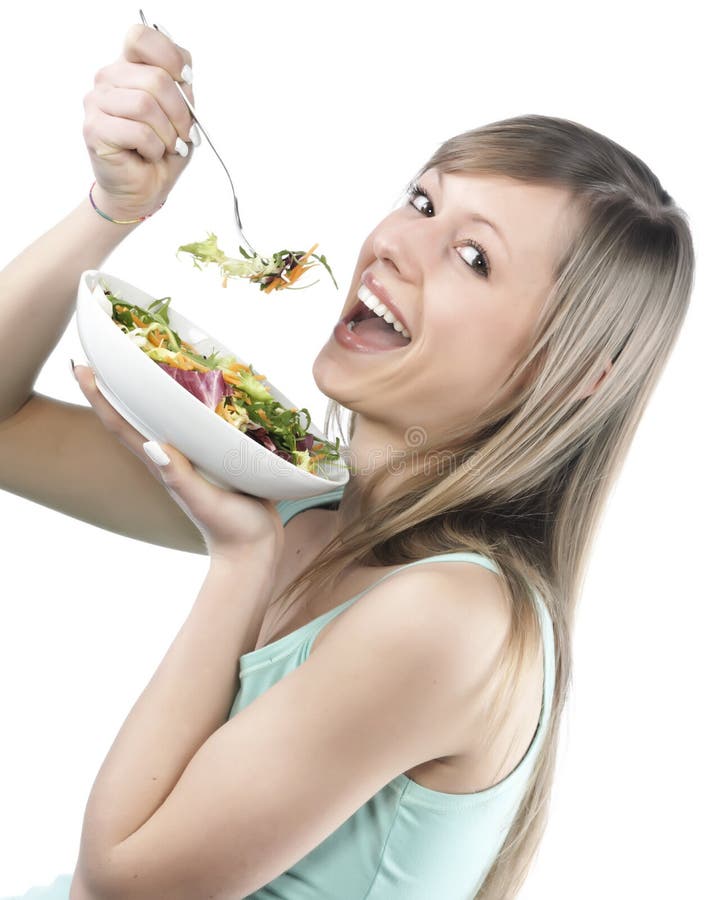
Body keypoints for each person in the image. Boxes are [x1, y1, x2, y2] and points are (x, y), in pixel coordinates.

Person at [0, 20, 694, 900]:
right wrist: (115, 210)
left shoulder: (452, 618)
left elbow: (122, 890)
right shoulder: (308, 497)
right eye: (422, 201)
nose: (398, 245)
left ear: (568, 371)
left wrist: (241, 562)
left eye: (473, 258)